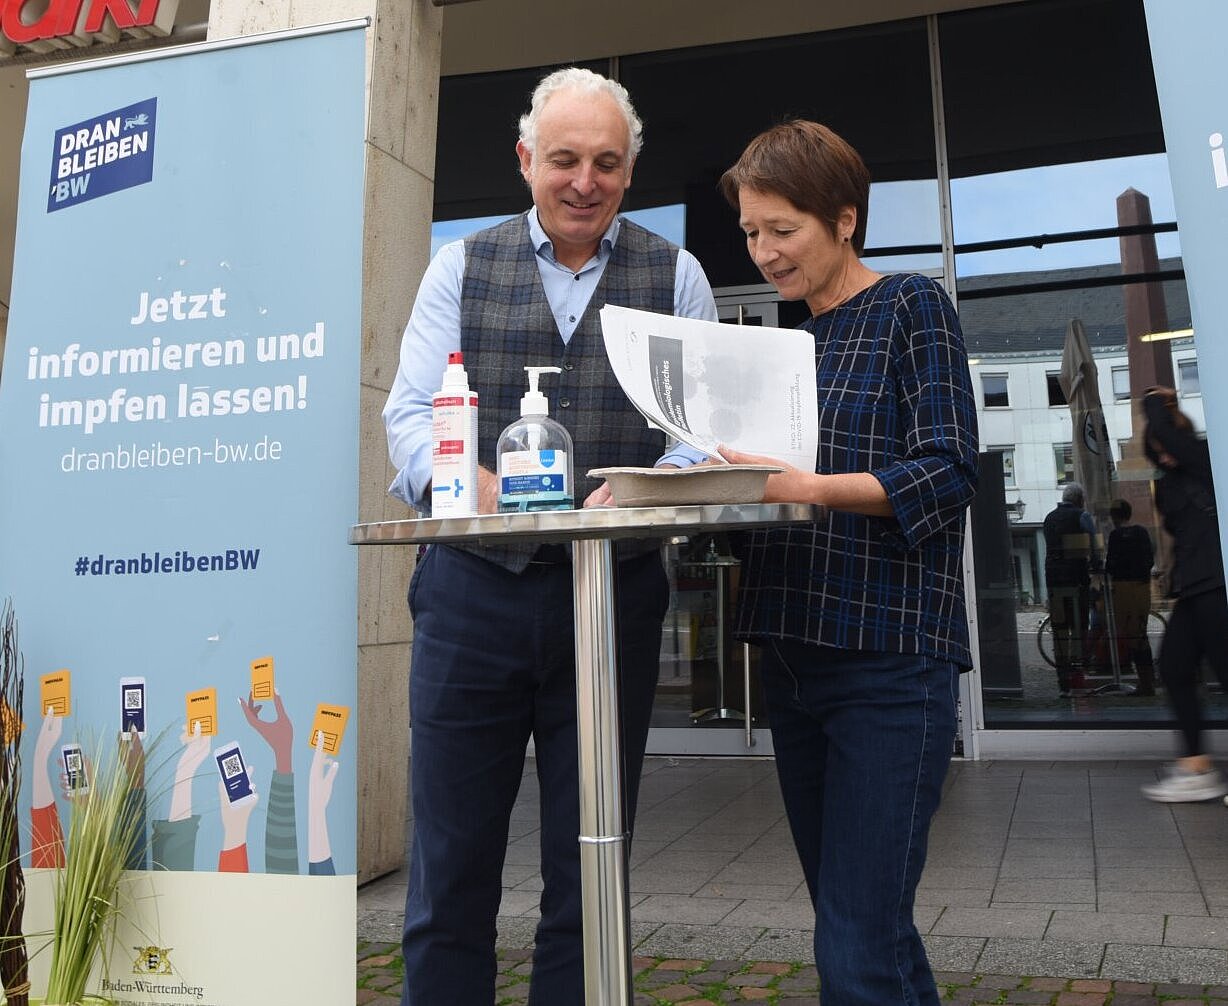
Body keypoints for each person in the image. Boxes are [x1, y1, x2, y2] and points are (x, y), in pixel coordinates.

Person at [381, 67, 718, 1004]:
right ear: (526, 159)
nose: (584, 181)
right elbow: (409, 416)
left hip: (613, 595)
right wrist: (471, 484)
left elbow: (700, 436)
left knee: (591, 865)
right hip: (470, 593)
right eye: (564, 159)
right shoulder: (459, 266)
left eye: (606, 162)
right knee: (450, 866)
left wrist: (648, 489)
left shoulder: (676, 277)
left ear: (630, 171)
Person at [715, 120, 978, 1006]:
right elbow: (762, 507)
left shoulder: (911, 306)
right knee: (860, 929)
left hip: (888, 662)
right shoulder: (787, 346)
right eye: (751, 233)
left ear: (844, 220)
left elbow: (947, 472)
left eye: (782, 230)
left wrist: (809, 488)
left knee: (858, 942)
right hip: (791, 657)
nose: (764, 252)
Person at [1139, 387, 1228, 803]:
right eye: (1156, 452)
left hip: (1218, 583)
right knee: (1174, 666)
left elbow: (1168, 436)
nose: (1164, 455)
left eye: (1165, 446)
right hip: (1195, 587)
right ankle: (1196, 767)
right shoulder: (1171, 482)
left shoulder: (1205, 459)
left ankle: (1197, 768)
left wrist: (1153, 400)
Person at [1043, 482, 1098, 696]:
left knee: (1059, 631)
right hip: (1076, 580)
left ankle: (1063, 681)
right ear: (1079, 499)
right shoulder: (1082, 516)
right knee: (1078, 627)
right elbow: (1093, 546)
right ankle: (1077, 677)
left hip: (1054, 581)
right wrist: (1096, 565)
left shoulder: (1049, 518)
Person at [1103, 498, 1156, 695]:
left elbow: (1110, 565)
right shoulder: (1141, 532)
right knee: (1140, 633)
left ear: (1114, 516)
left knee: (1132, 635)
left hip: (1123, 588)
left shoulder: (1115, 536)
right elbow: (1149, 559)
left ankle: (1145, 683)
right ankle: (1147, 681)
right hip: (1141, 587)